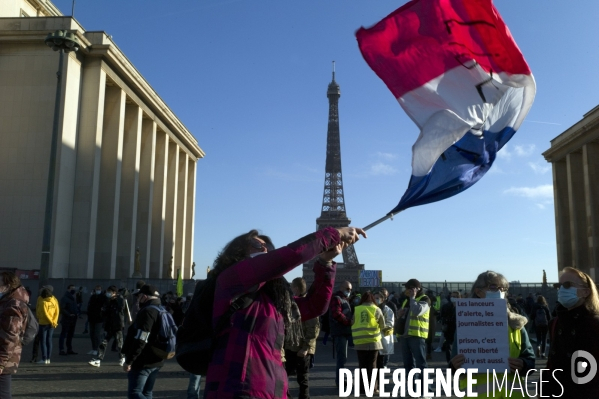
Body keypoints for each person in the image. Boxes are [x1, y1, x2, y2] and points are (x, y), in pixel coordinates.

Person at [204, 226, 365, 399]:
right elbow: (290, 256)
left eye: (268, 247)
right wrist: (335, 234)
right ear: (237, 252)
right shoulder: (230, 278)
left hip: (272, 390)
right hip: (237, 390)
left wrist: (325, 262)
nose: (265, 249)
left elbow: (315, 306)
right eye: (256, 245)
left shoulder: (274, 300)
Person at [450, 271, 535, 397]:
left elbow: (530, 361)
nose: (500, 292)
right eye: (494, 287)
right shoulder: (466, 325)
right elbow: (455, 363)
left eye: (503, 288)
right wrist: (454, 366)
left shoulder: (516, 324)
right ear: (478, 292)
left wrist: (523, 365)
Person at [545, 267, 599, 398]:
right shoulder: (555, 323)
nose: (562, 289)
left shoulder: (594, 324)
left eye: (567, 285)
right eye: (559, 285)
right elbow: (551, 365)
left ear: (586, 291)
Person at [121, 284, 166, 399]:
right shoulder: (162, 309)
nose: (137, 298)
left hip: (143, 360)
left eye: (139, 296)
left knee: (135, 393)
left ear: (144, 296)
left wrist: (130, 360)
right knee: (147, 392)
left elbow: (141, 338)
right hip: (157, 358)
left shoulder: (148, 312)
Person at [284, 277, 320, 399]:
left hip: (301, 349)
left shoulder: (305, 305)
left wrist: (305, 348)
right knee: (291, 376)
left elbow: (313, 331)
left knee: (302, 378)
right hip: (292, 346)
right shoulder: (300, 304)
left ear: (297, 289)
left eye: (292, 288)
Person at [397, 278, 430, 392]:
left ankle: (425, 390)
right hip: (405, 336)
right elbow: (402, 316)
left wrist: (412, 298)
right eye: (406, 288)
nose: (406, 290)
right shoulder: (407, 300)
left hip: (417, 335)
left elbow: (417, 311)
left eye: (409, 288)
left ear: (416, 289)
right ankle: (413, 390)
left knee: (421, 364)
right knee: (408, 365)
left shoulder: (425, 299)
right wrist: (399, 314)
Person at [0, 271, 30, 398]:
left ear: (8, 286)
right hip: (5, 358)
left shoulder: (13, 304)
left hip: (4, 359)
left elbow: (10, 337)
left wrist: (1, 362)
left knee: (3, 394)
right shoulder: (7, 301)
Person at [351, 291, 385, 394]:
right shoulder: (377, 309)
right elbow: (382, 325)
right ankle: (373, 388)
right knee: (372, 365)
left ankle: (361, 388)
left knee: (362, 365)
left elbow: (352, 322)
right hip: (373, 342)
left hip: (360, 341)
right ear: (373, 299)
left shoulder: (357, 309)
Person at [89, 285, 126, 367]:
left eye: (109, 292)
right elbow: (106, 313)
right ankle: (98, 359)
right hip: (109, 325)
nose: (107, 293)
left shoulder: (120, 300)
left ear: (114, 293)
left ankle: (122, 358)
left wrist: (118, 298)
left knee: (119, 343)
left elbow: (121, 308)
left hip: (117, 325)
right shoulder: (108, 301)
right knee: (103, 342)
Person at [329, 280, 354, 386]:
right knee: (341, 358)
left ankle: (341, 379)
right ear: (341, 288)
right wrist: (349, 322)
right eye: (348, 289)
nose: (349, 291)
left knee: (343, 358)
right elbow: (336, 314)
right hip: (340, 331)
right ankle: (339, 380)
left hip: (344, 331)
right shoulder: (337, 298)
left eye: (350, 289)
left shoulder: (345, 299)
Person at [35, 287, 59, 364]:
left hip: (43, 323)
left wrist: (50, 321)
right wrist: (54, 322)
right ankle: (48, 358)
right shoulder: (54, 300)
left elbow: (45, 314)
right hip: (52, 324)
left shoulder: (43, 302)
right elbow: (57, 311)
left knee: (43, 342)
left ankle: (44, 358)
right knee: (49, 341)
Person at [373, 290, 395, 369]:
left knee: (382, 360)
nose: (376, 300)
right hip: (374, 338)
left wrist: (379, 326)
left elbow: (390, 323)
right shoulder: (372, 308)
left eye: (378, 298)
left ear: (383, 299)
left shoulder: (387, 310)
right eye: (374, 298)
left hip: (383, 337)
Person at [59, 284, 79, 355]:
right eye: (71, 289)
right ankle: (61, 349)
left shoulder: (74, 297)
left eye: (74, 288)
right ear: (68, 289)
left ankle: (69, 349)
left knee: (70, 335)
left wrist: (76, 313)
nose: (73, 290)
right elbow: (62, 308)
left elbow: (75, 307)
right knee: (63, 334)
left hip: (73, 319)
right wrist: (69, 314)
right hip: (66, 319)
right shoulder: (65, 298)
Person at [439, 291, 460, 363]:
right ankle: (450, 362)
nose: (453, 298)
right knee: (448, 346)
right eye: (452, 296)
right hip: (449, 329)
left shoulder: (462, 306)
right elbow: (442, 316)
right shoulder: (446, 306)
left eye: (455, 296)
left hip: (458, 328)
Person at [86, 285, 106, 356]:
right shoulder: (93, 297)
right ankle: (93, 348)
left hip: (99, 319)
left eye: (99, 289)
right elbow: (89, 306)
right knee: (92, 334)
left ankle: (97, 349)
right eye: (97, 289)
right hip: (92, 318)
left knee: (97, 334)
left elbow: (104, 307)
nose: (98, 290)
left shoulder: (103, 297)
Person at [530, 294, 551, 358]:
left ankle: (538, 346)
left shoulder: (535, 306)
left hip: (537, 324)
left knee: (538, 337)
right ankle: (543, 353)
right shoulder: (545, 306)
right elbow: (549, 316)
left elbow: (532, 316)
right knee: (544, 338)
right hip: (545, 324)